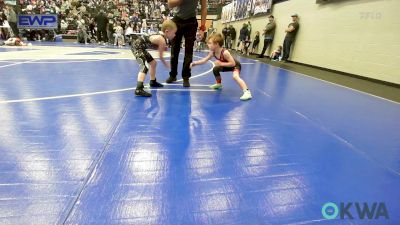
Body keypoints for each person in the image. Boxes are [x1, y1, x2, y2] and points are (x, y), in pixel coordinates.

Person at [191, 33, 252, 101]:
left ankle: (247, 92)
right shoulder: (213, 52)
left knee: (235, 76)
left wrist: (220, 63)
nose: (208, 45)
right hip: (226, 65)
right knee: (215, 69)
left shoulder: (225, 52)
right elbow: (204, 60)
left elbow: (233, 63)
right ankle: (219, 84)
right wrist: (195, 63)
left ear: (216, 44)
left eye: (209, 43)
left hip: (235, 65)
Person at [165, 0, 207, 87]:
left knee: (189, 51)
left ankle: (186, 77)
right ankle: (173, 75)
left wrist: (202, 28)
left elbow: (204, 8)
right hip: (177, 20)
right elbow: (169, 4)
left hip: (191, 21)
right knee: (174, 50)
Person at [131, 20, 177, 97]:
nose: (175, 35)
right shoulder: (161, 40)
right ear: (167, 31)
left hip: (140, 47)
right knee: (144, 67)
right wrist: (166, 64)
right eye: (174, 33)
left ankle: (153, 81)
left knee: (153, 63)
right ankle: (138, 89)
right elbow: (161, 56)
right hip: (137, 47)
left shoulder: (161, 36)